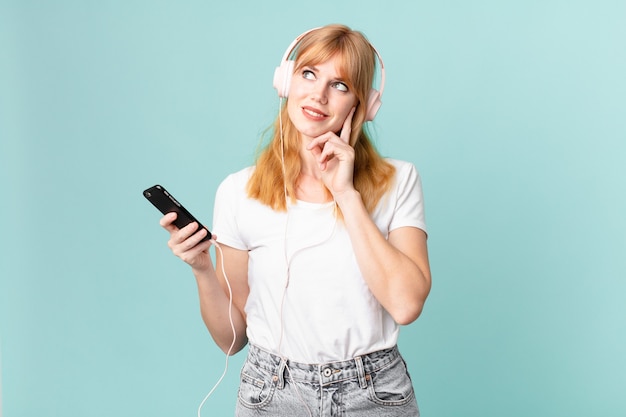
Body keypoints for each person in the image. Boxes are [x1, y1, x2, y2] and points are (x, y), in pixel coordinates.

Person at [160, 24, 431, 417]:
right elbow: (231, 340)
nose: (318, 95)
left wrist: (346, 194)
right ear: (285, 81)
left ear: (363, 105)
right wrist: (202, 269)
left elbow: (406, 305)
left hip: (372, 394)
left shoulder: (399, 180)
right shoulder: (239, 192)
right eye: (309, 74)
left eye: (340, 84)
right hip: (271, 392)